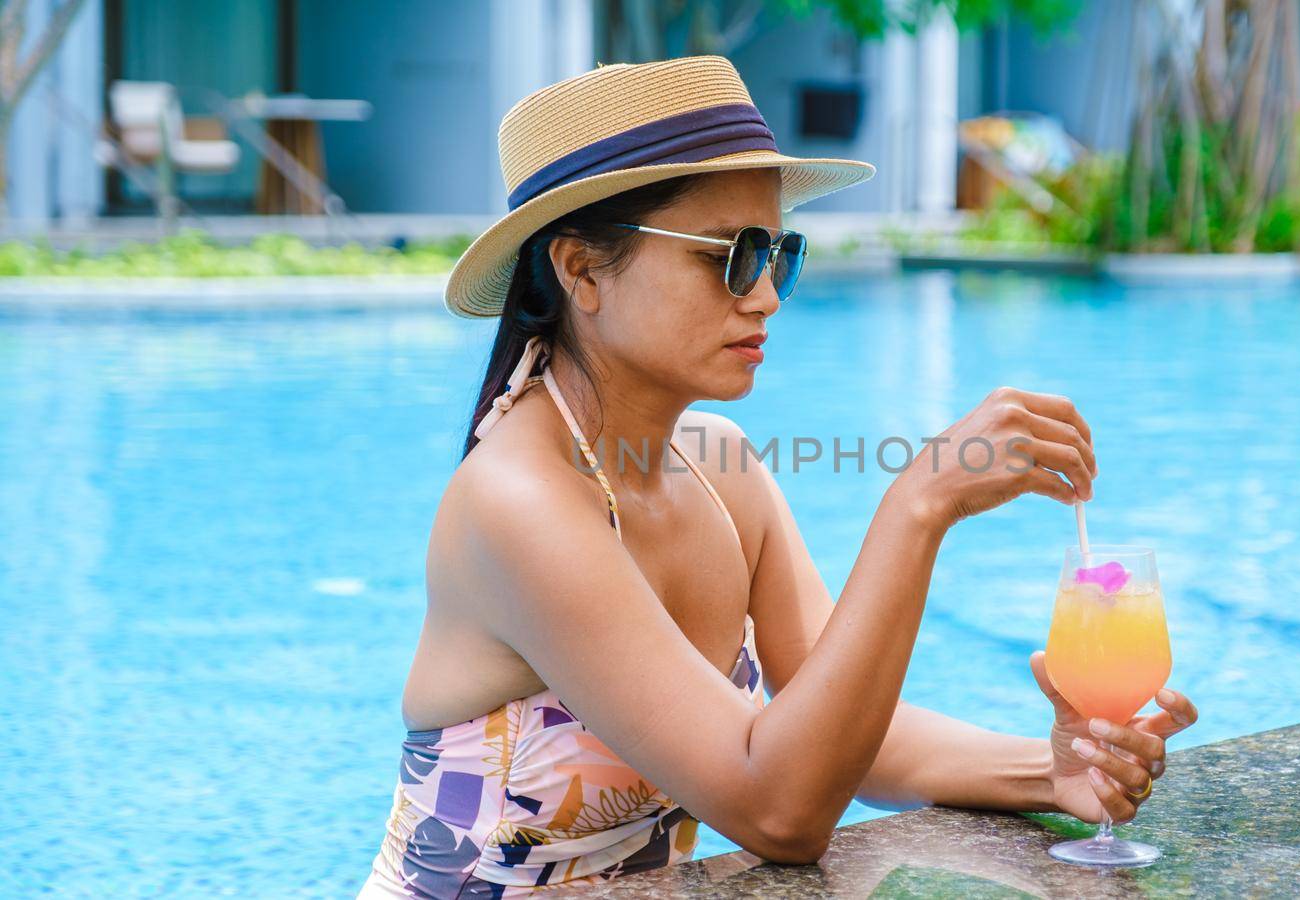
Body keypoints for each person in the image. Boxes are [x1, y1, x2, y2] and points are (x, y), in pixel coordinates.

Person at [360, 55, 1198, 897]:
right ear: (581, 271)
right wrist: (916, 509)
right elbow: (779, 812)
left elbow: (847, 737)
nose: (765, 296)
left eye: (776, 253)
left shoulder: (719, 466)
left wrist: (1051, 774)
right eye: (727, 255)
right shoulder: (520, 501)